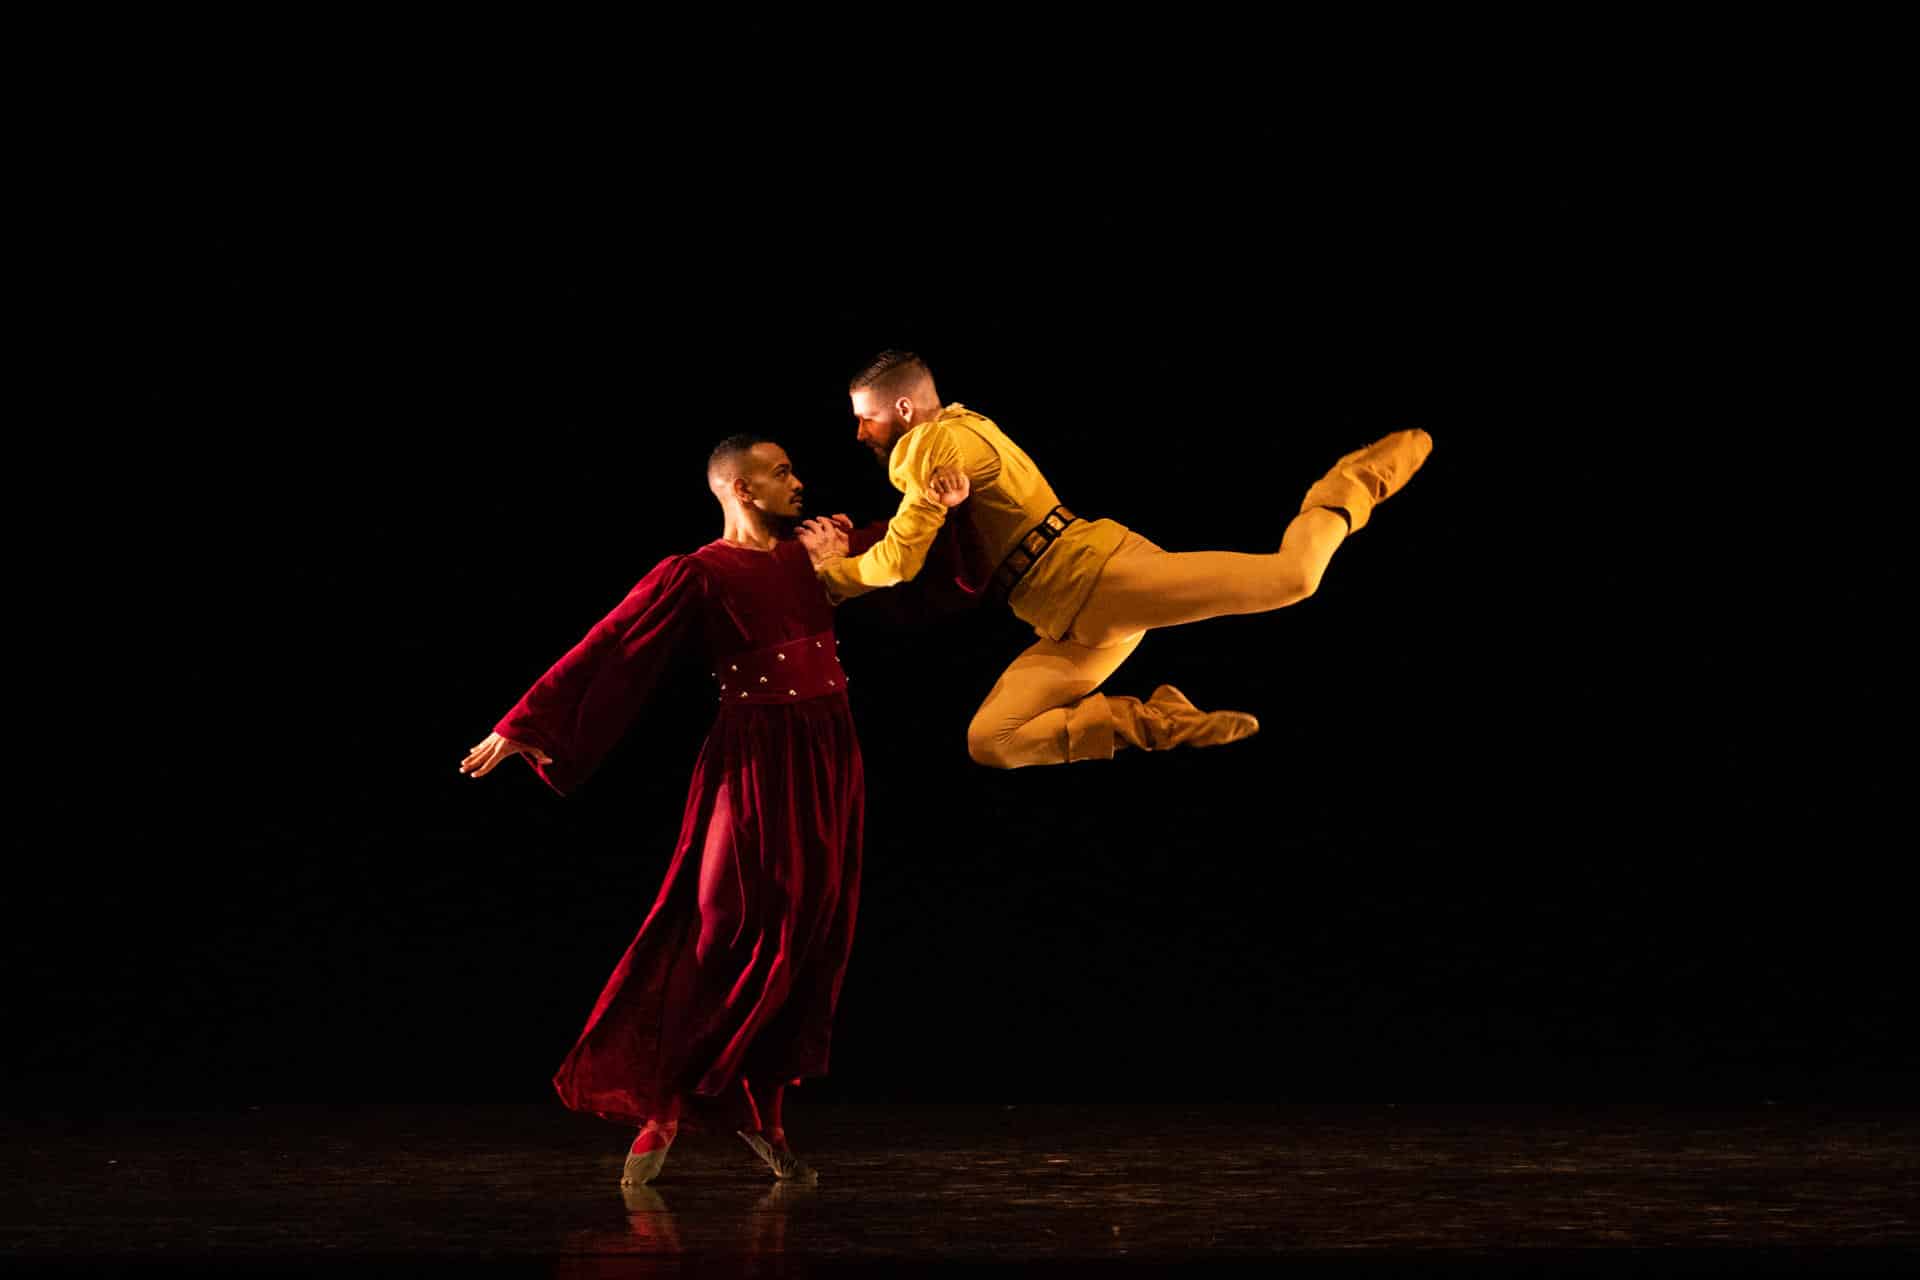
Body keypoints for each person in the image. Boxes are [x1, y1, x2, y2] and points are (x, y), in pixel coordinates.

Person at [459, 434, 972, 1186]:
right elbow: (612, 642)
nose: (799, 481)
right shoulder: (699, 573)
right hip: (756, 756)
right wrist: (524, 725)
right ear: (739, 488)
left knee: (807, 931)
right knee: (724, 922)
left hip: (831, 754)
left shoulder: (817, 546)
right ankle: (664, 1098)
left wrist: (940, 501)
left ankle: (763, 1115)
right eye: (781, 472)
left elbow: (910, 549)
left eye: (795, 468)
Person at [806, 350, 1432, 768]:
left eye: (866, 418)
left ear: (905, 410)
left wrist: (830, 580)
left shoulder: (928, 443)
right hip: (1067, 619)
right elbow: (942, 548)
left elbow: (898, 562)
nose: (861, 432)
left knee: (1293, 577)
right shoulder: (962, 429)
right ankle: (1156, 719)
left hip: (1098, 577)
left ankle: (1353, 484)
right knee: (990, 741)